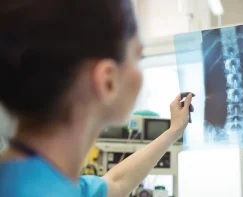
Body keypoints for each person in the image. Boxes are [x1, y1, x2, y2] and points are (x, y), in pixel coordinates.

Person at [0, 0, 193, 197]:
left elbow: (116, 182)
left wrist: (174, 130)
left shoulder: (32, 177)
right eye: (138, 57)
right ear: (108, 80)